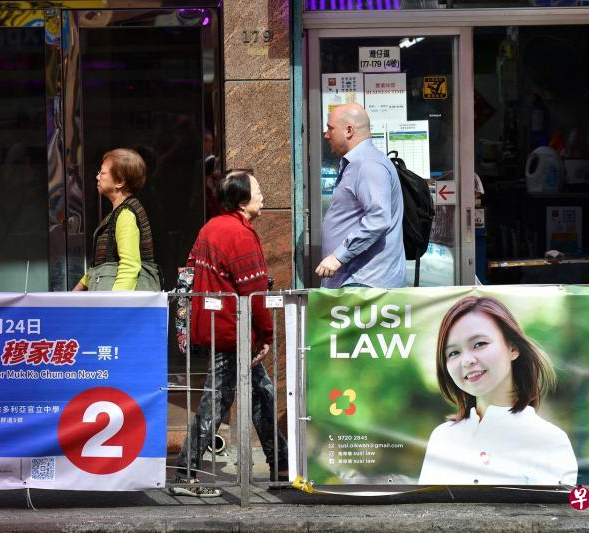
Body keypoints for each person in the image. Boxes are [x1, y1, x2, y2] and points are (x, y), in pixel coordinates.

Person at [170, 169, 289, 498]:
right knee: (216, 400)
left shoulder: (210, 228)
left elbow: (191, 272)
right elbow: (254, 294)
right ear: (241, 200)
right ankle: (185, 472)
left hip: (217, 327)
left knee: (261, 391)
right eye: (257, 189)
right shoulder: (240, 235)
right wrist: (265, 335)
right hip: (233, 332)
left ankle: (280, 464)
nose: (263, 195)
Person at [419, 296, 577, 485]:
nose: (466, 360)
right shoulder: (442, 437)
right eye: (453, 353)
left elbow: (554, 514)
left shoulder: (548, 440)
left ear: (513, 348)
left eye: (479, 344)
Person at [316, 104, 405, 288]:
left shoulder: (367, 164)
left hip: (365, 284)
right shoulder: (359, 162)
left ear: (349, 130)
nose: (326, 135)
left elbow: (378, 219)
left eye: (330, 128)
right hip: (358, 282)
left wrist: (338, 256)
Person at [72, 148, 155, 291]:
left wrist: (113, 307)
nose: (97, 177)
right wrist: (75, 293)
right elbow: (101, 264)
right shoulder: (119, 212)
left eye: (102, 173)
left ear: (120, 181)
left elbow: (129, 266)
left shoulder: (126, 214)